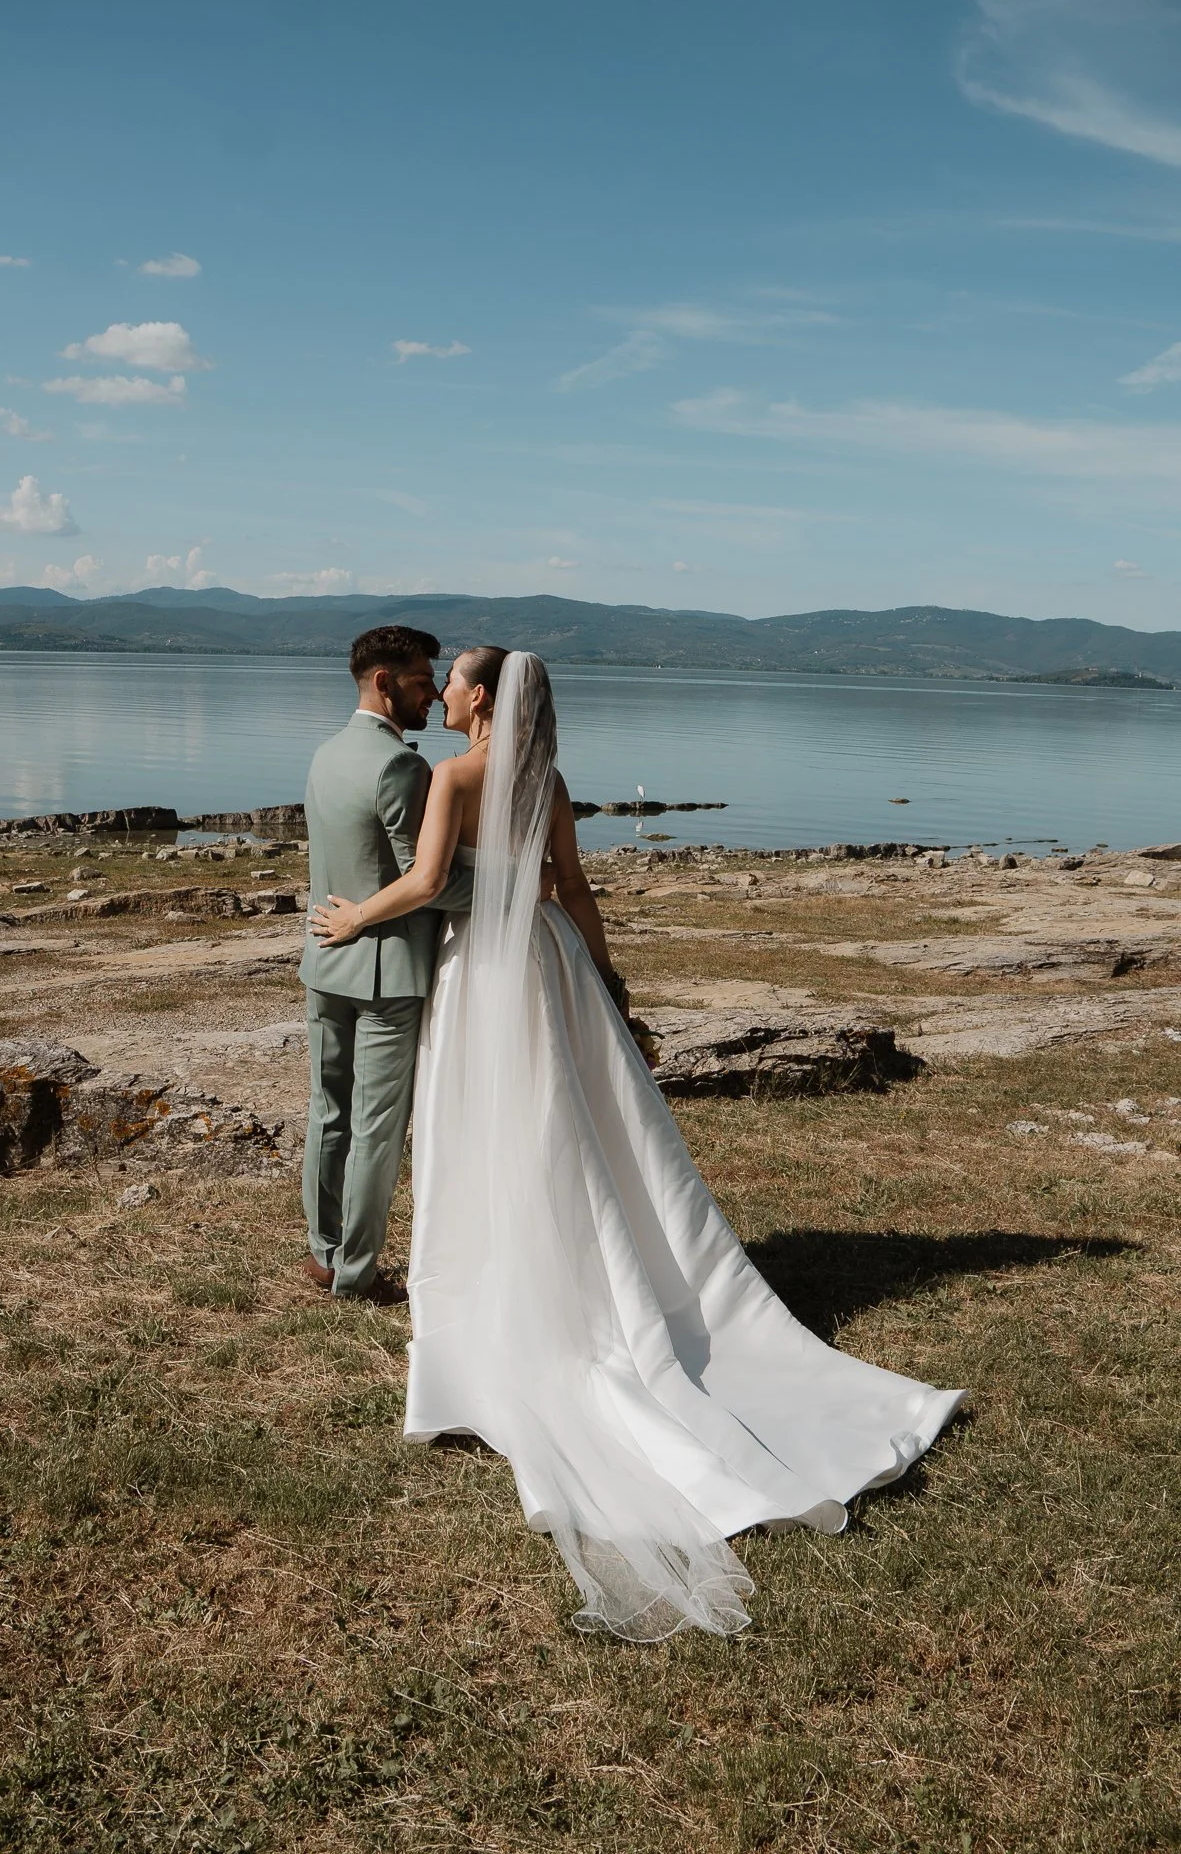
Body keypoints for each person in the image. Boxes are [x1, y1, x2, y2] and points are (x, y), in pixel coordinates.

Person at [310, 649, 966, 1641]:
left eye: (453, 681)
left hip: (484, 972)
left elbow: (433, 879)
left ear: (481, 696)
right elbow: (575, 892)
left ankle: (496, 1303)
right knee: (569, 1128)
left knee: (486, 1131)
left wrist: (354, 912)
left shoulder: (454, 775)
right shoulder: (548, 780)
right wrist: (610, 987)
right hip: (553, 964)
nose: (440, 690)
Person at [299, 624, 475, 1304]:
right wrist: (518, 885)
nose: (432, 694)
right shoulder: (401, 766)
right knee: (374, 1126)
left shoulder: (325, 754)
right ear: (383, 681)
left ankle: (323, 1251)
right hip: (386, 971)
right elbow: (422, 880)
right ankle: (356, 1273)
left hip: (323, 959)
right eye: (421, 680)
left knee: (327, 1112)